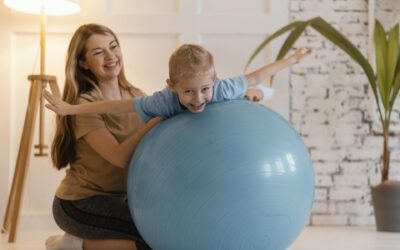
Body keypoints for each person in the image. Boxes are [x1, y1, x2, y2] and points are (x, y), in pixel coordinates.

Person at [45, 23, 162, 250]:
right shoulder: (84, 105)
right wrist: (153, 123)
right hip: (80, 203)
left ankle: (75, 242)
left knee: (163, 228)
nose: (111, 56)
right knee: (154, 238)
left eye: (113, 46)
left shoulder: (135, 96)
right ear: (82, 63)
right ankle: (76, 243)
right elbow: (118, 157)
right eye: (98, 52)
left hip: (121, 198)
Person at [43, 44, 311, 121]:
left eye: (204, 88)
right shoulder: (164, 100)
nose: (197, 99)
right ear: (172, 85)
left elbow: (255, 74)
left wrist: (291, 60)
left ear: (213, 81)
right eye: (188, 92)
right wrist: (70, 109)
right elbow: (117, 106)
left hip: (231, 98)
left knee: (249, 90)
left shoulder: (219, 89)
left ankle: (254, 95)